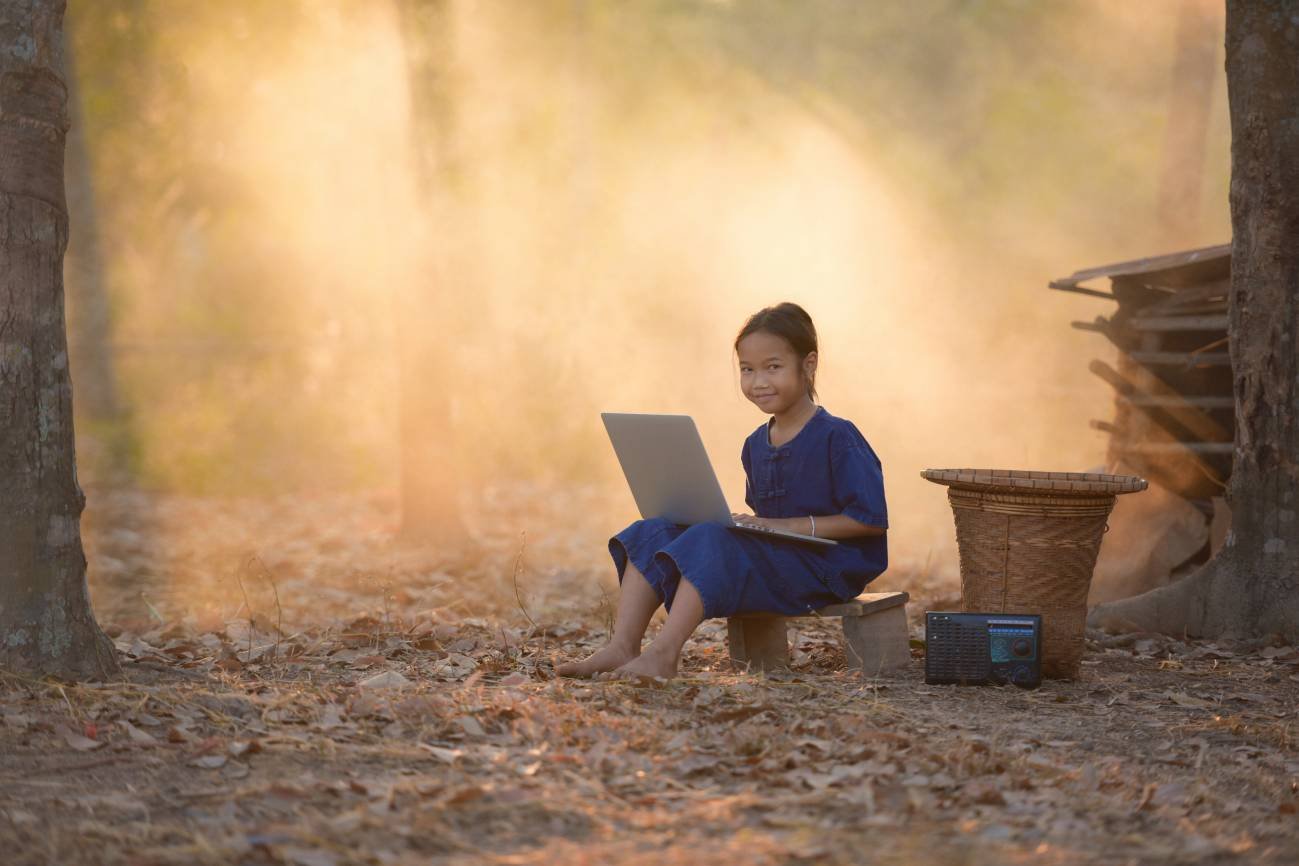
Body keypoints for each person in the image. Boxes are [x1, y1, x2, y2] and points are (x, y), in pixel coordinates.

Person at [557, 302, 888, 680]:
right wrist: (751, 527)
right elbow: (764, 524)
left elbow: (870, 521)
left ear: (808, 364)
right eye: (747, 370)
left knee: (713, 539)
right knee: (650, 531)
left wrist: (788, 528)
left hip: (826, 570)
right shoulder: (755, 444)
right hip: (780, 559)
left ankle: (664, 654)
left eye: (773, 367)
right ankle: (622, 646)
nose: (758, 381)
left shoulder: (837, 436)